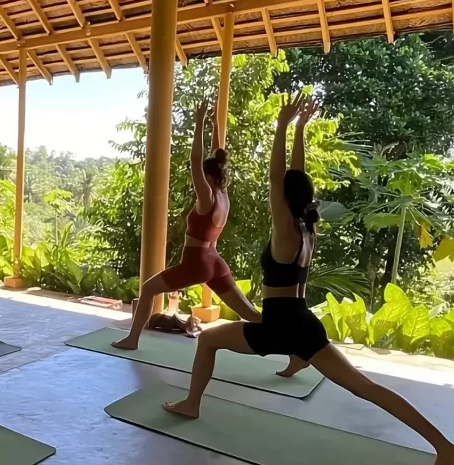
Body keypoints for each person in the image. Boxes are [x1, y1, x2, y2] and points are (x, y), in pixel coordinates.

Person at [162, 93, 454, 465]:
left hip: (280, 326)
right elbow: (294, 176)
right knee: (367, 388)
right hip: (304, 322)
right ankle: (446, 448)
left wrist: (284, 127)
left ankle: (191, 404)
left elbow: (277, 176)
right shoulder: (306, 228)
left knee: (208, 340)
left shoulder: (285, 229)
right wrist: (301, 128)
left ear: (284, 199)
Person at [111, 100, 308, 375]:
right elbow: (218, 153)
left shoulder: (207, 197)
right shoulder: (224, 196)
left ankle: (132, 339)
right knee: (251, 314)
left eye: (202, 175)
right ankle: (298, 350)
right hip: (215, 261)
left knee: (148, 289)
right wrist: (216, 123)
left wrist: (200, 120)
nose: (198, 179)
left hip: (197, 263)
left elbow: (195, 159)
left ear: (208, 176)